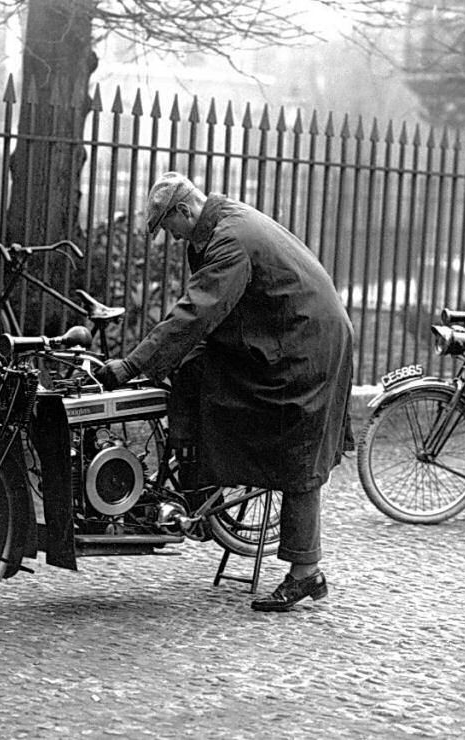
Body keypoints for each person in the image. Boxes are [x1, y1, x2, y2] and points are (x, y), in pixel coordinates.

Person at [95, 172, 354, 610]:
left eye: (168, 228)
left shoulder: (229, 239)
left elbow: (198, 311)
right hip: (280, 331)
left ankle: (306, 573)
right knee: (194, 372)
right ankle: (194, 486)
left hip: (305, 343)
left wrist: (133, 364)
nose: (172, 240)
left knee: (297, 452)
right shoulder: (221, 224)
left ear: (184, 211)